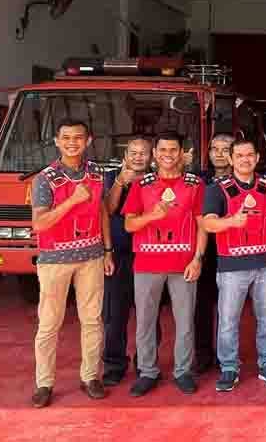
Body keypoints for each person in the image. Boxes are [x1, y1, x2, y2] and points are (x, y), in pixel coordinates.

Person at [30, 119, 115, 408]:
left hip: (91, 257)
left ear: (88, 140)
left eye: (78, 138)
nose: (72, 143)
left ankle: (90, 376)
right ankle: (44, 383)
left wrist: (107, 250)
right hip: (54, 261)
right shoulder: (45, 178)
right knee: (49, 323)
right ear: (56, 141)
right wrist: (72, 201)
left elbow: (103, 212)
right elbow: (40, 223)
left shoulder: (96, 173)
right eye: (65, 138)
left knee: (92, 320)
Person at [123, 132, 207, 397]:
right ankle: (148, 371)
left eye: (173, 150)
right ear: (155, 154)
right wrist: (152, 215)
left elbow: (202, 223)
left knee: (185, 321)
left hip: (184, 263)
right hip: (147, 263)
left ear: (182, 153)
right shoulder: (142, 184)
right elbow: (129, 224)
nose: (168, 155)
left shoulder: (195, 184)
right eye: (163, 150)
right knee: (145, 321)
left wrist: (198, 258)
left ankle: (182, 371)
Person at [202, 139, 266, 392]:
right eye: (239, 155)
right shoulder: (217, 189)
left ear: (258, 157)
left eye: (250, 155)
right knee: (228, 320)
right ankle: (229, 367)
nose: (245, 159)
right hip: (231, 266)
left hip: (265, 263)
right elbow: (207, 224)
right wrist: (229, 222)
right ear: (230, 159)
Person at [101, 136, 151, 387]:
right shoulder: (111, 177)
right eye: (133, 152)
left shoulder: (155, 178)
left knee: (147, 313)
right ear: (125, 156)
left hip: (149, 254)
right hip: (118, 255)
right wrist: (122, 181)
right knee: (114, 314)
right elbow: (108, 210)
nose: (138, 157)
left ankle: (145, 362)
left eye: (143, 153)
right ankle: (114, 364)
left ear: (151, 157)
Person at [195, 132, 234, 373]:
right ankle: (202, 354)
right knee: (202, 305)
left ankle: (226, 356)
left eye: (225, 148)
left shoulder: (244, 179)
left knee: (229, 307)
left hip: (232, 250)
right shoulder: (197, 180)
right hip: (204, 249)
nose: (219, 153)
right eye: (214, 149)